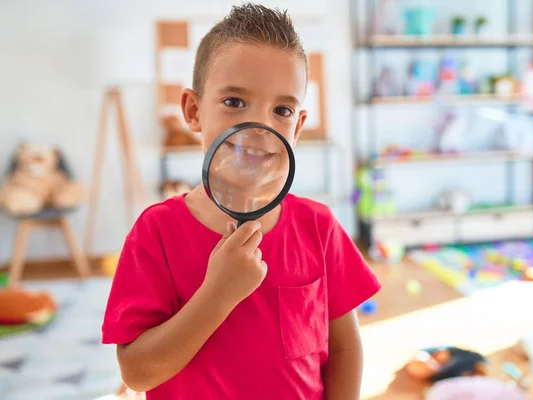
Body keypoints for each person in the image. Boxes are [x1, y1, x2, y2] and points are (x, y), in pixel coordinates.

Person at [102, 3, 381, 399]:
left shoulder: (319, 227)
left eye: (282, 109)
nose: (261, 127)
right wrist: (218, 294)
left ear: (298, 127)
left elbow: (344, 346)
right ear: (194, 111)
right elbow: (137, 373)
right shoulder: (156, 232)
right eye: (234, 102)